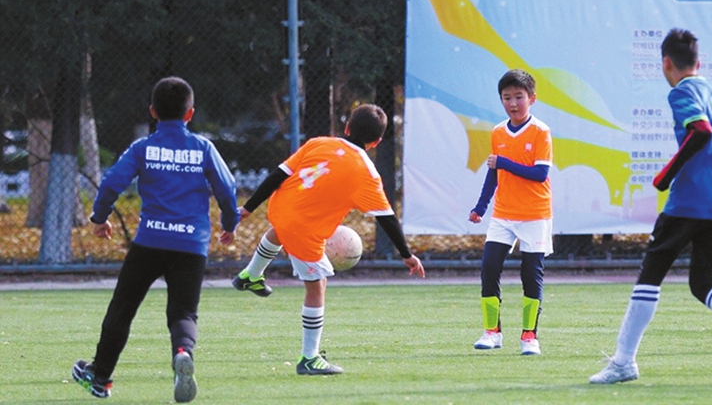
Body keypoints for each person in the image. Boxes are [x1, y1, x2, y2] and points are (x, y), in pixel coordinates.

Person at [590, 28, 712, 386]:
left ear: (666, 63)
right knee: (703, 282)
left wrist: (667, 174)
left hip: (688, 201)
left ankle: (623, 362)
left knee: (650, 276)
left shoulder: (681, 92)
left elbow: (701, 130)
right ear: (700, 62)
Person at [72, 77, 239, 402]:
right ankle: (182, 352)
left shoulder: (143, 148)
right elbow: (227, 189)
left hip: (150, 241)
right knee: (183, 313)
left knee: (122, 308)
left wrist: (99, 217)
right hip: (191, 244)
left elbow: (111, 182)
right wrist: (229, 223)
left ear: (152, 112)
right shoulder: (203, 148)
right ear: (190, 114)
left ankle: (101, 378)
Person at [232, 104, 425, 375]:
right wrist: (407, 255)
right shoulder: (367, 173)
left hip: (280, 207)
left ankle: (250, 275)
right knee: (317, 285)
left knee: (282, 228)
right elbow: (387, 218)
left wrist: (247, 209)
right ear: (377, 142)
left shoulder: (317, 143)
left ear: (346, 128)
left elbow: (277, 175)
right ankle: (310, 359)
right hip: (303, 230)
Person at [468, 69, 555, 356]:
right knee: (489, 268)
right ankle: (492, 332)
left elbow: (540, 174)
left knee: (531, 274)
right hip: (503, 215)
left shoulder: (541, 131)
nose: (513, 103)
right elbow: (493, 174)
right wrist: (480, 208)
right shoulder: (497, 132)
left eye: (519, 97)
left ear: (532, 99)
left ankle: (530, 336)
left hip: (535, 214)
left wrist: (504, 162)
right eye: (507, 98)